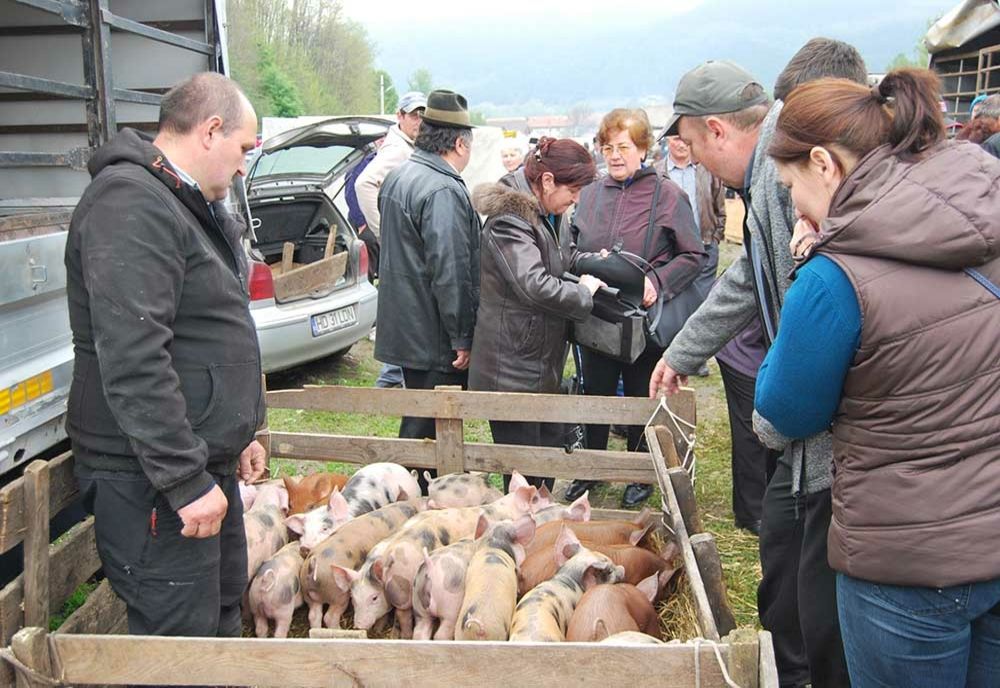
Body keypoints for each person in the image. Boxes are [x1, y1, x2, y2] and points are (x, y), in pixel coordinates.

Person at [757, 67, 1000, 687]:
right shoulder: (987, 217)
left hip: (904, 566)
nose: (794, 206)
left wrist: (807, 271)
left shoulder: (835, 278)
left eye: (790, 186)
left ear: (823, 164)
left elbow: (785, 410)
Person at [649, 39, 868, 688]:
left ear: (715, 130)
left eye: (690, 141)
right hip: (814, 429)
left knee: (802, 593)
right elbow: (750, 275)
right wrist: (684, 349)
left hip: (824, 432)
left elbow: (811, 302)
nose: (693, 159)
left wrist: (778, 412)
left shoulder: (780, 172)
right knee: (787, 570)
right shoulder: (772, 170)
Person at [64, 73, 267, 638]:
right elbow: (133, 357)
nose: (243, 165)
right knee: (179, 645)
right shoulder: (130, 202)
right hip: (153, 479)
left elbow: (202, 333)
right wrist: (183, 480)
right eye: (244, 148)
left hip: (199, 464)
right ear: (210, 130)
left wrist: (238, 433)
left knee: (222, 618)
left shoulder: (180, 200)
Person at [566, 108, 706, 509]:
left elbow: (692, 255)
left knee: (643, 393)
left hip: (644, 318)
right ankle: (590, 469)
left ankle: (639, 471)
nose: (614, 155)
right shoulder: (591, 193)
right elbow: (572, 245)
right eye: (607, 147)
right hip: (597, 313)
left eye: (623, 147)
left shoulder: (668, 195)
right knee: (596, 391)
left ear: (643, 148)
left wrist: (656, 282)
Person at [469, 137, 603, 492]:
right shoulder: (509, 219)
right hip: (512, 365)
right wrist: (582, 294)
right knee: (523, 473)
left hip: (539, 358)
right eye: (572, 190)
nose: (575, 199)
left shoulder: (548, 213)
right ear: (546, 182)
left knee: (545, 463)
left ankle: (538, 536)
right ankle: (517, 540)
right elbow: (535, 283)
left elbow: (559, 261)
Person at [375, 89, 481, 489]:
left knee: (420, 416)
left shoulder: (400, 176)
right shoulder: (443, 189)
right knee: (430, 425)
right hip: (432, 331)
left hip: (406, 324)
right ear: (458, 143)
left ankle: (412, 494)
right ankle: (413, 499)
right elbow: (450, 269)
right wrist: (462, 335)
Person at [356, 90, 427, 388]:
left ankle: (392, 380)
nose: (419, 121)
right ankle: (388, 384)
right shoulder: (398, 149)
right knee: (405, 313)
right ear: (400, 116)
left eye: (423, 115)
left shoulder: (407, 145)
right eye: (413, 115)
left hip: (402, 248)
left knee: (404, 314)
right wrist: (386, 233)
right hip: (400, 248)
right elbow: (364, 184)